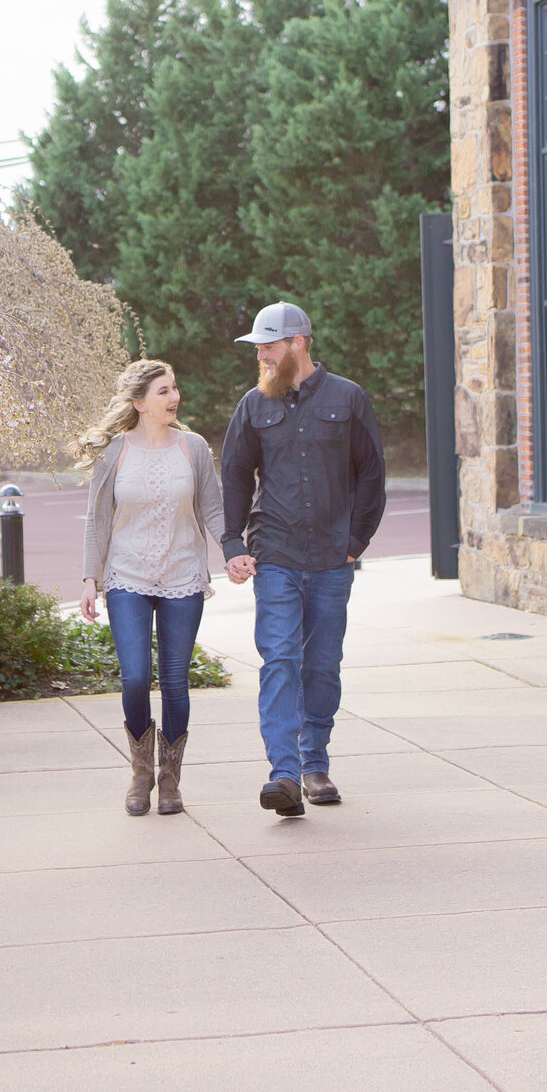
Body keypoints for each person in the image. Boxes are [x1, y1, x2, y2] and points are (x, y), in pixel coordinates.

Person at [218, 301, 385, 818]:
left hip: (333, 560)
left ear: (299, 344)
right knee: (280, 661)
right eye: (259, 348)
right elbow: (235, 476)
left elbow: (371, 476)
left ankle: (315, 763)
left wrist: (355, 542)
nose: (262, 356)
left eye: (269, 346)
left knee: (322, 665)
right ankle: (284, 773)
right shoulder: (253, 406)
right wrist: (233, 544)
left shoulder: (348, 398)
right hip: (277, 556)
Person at [75, 358, 225, 816]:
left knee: (176, 681)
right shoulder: (114, 452)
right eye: (162, 391)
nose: (173, 397)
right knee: (136, 675)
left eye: (174, 388)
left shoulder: (193, 447)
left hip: (182, 574)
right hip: (128, 577)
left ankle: (170, 779)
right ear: (139, 403)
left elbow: (214, 510)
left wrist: (234, 552)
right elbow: (98, 519)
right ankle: (140, 772)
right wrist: (90, 578)